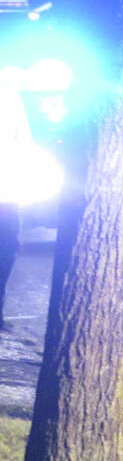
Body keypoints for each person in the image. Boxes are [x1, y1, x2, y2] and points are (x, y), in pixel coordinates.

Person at [0, 68, 32, 331]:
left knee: (7, 250)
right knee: (6, 249)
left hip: (6, 192)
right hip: (6, 193)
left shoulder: (11, 99)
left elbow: (23, 143)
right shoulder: (11, 100)